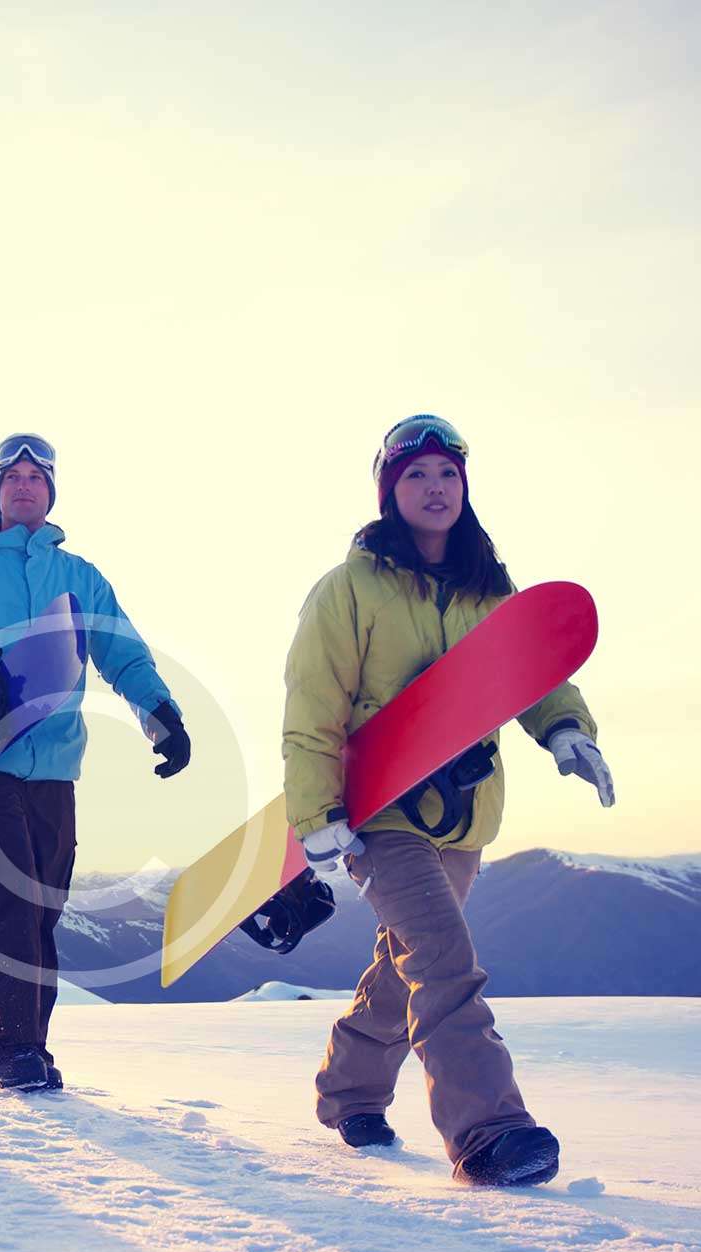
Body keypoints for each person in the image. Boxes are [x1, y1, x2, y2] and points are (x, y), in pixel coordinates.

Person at [281, 415, 614, 1185]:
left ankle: (348, 1090)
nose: (435, 489)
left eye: (448, 475)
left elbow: (534, 672)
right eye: (416, 476)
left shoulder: (488, 587)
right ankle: (489, 1131)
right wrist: (316, 814)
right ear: (389, 492)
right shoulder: (348, 589)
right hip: (379, 812)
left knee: (406, 969)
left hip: (465, 811)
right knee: (443, 960)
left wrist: (567, 730)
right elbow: (312, 705)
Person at [0, 433, 190, 1092]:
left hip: (57, 766)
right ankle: (6, 1046)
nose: (24, 486)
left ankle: (31, 1041)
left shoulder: (79, 576)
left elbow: (121, 650)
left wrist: (161, 715)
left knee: (45, 905)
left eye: (37, 477)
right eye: (13, 477)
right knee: (12, 894)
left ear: (50, 491)